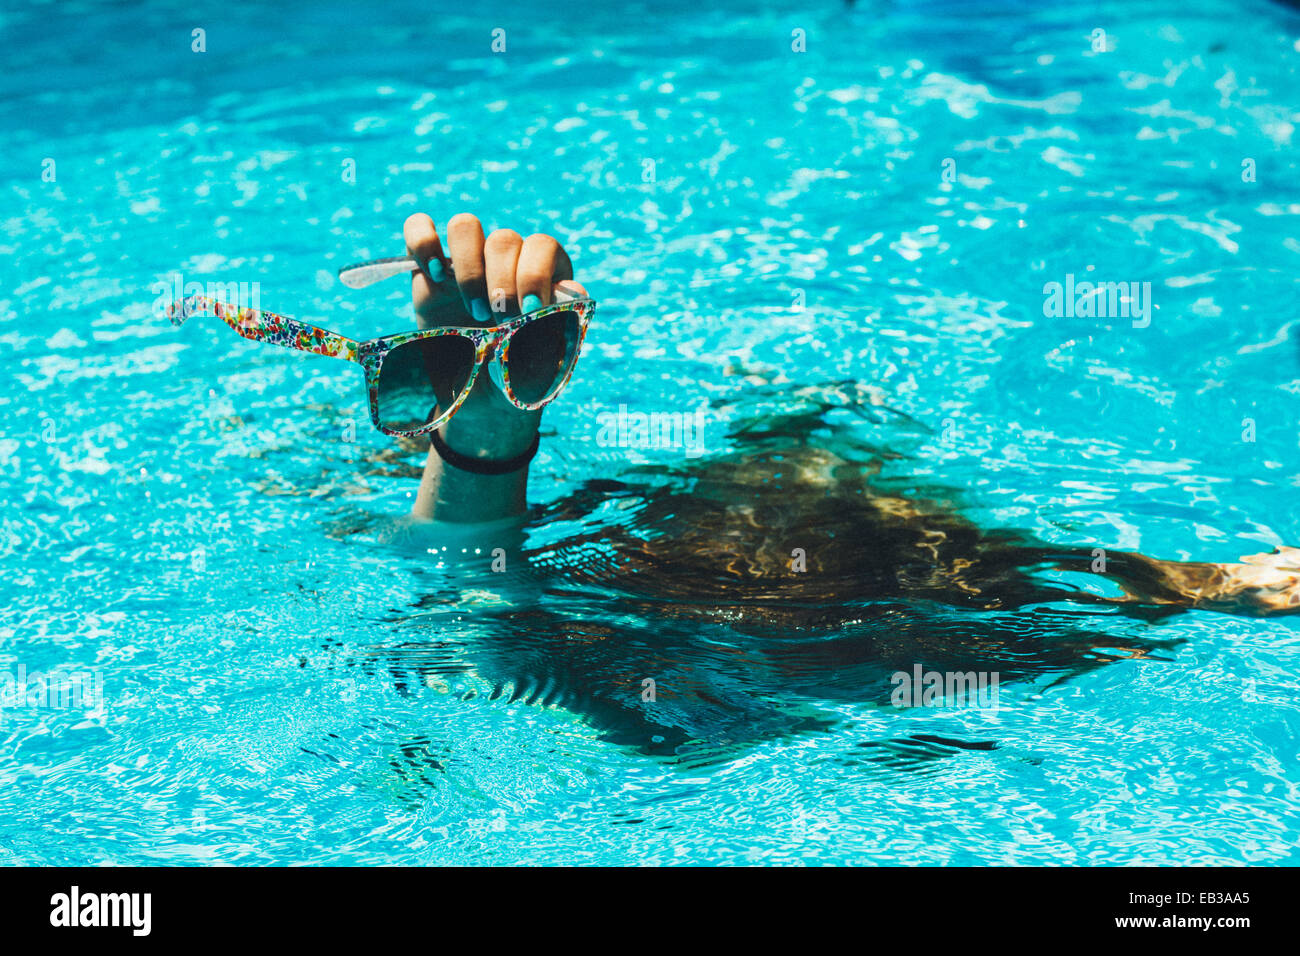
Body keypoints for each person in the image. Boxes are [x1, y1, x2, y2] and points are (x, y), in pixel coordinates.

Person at [397, 210, 1299, 619]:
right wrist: (486, 423)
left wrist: (486, 437)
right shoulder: (953, 596)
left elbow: (471, 596)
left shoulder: (939, 594)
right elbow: (467, 595)